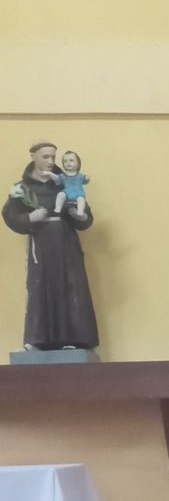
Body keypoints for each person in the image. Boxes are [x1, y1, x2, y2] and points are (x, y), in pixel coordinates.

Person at [3, 141, 97, 350]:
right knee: (39, 290)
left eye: (54, 157)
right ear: (33, 157)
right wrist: (30, 217)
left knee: (72, 289)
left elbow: (86, 217)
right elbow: (10, 214)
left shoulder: (64, 183)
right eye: (45, 156)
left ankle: (74, 339)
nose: (51, 161)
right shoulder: (24, 187)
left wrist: (78, 216)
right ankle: (38, 341)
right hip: (42, 248)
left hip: (66, 245)